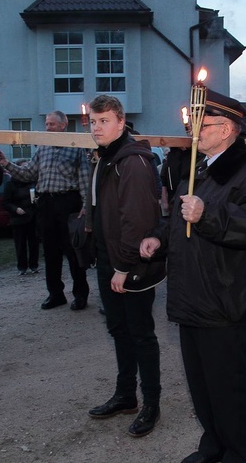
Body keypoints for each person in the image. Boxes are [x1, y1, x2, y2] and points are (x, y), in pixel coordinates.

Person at [140, 89, 246, 463]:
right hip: (193, 294)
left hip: (225, 297)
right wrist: (159, 236)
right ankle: (214, 446)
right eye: (194, 123)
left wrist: (208, 216)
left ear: (229, 129)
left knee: (228, 387)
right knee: (202, 385)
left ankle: (239, 454)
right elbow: (179, 216)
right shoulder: (199, 167)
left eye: (203, 123)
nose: (195, 129)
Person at [84, 95, 165, 437]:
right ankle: (126, 395)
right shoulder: (106, 157)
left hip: (131, 263)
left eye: (103, 121)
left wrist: (122, 266)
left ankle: (151, 405)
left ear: (120, 122)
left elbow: (136, 219)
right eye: (93, 121)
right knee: (118, 330)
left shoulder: (130, 161)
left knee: (141, 334)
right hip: (110, 259)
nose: (96, 127)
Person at [0, 111, 91, 310]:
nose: (47, 127)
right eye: (47, 124)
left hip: (68, 203)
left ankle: (80, 294)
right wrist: (6, 164)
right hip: (46, 204)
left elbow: (84, 178)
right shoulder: (42, 149)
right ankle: (55, 294)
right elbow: (27, 172)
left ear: (63, 125)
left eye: (52, 124)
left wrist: (85, 205)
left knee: (73, 251)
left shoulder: (76, 149)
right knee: (50, 252)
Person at [1, 161, 39, 275]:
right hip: (18, 219)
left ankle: (34, 265)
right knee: (20, 244)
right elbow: (5, 202)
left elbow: (39, 195)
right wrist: (15, 209)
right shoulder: (10, 184)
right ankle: (22, 267)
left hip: (32, 216)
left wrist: (37, 200)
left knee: (34, 243)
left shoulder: (33, 183)